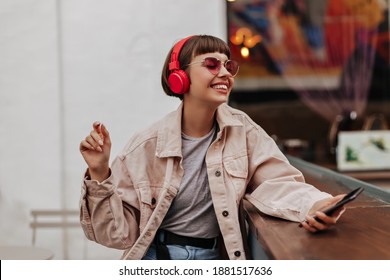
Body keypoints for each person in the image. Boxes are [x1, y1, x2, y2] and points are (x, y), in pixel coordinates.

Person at [79, 34, 346, 260]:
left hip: (217, 256)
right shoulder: (147, 145)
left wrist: (315, 204)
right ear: (179, 78)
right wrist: (100, 172)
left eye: (228, 65)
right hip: (158, 257)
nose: (225, 73)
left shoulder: (243, 131)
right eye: (211, 63)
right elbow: (115, 234)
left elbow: (277, 181)